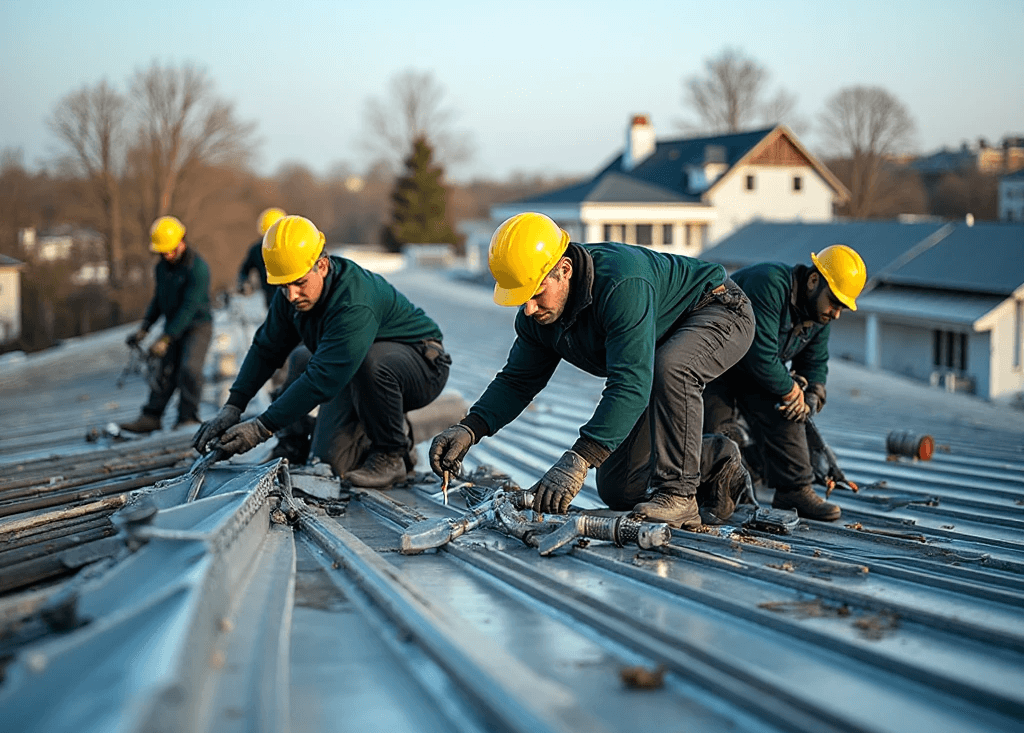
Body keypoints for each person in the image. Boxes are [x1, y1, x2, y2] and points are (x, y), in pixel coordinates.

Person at [429, 212, 756, 529]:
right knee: (619, 487)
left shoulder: (620, 283)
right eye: (521, 298)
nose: (529, 308)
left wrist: (579, 457)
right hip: (655, 345)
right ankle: (717, 460)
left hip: (717, 309)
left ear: (565, 269)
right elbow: (518, 381)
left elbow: (630, 384)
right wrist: (470, 428)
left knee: (671, 367)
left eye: (536, 294)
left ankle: (679, 493)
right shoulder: (537, 317)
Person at [193, 215, 451, 488]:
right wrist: (234, 406)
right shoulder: (291, 296)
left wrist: (261, 428)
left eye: (300, 283)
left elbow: (323, 379)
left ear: (323, 265)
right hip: (359, 369)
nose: (292, 295)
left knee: (370, 365)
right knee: (302, 362)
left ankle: (393, 453)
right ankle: (294, 443)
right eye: (283, 286)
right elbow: (266, 349)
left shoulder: (354, 300)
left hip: (420, 368)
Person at [702, 245, 867, 521]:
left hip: (751, 374)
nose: (837, 313)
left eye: (842, 306)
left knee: (790, 408)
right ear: (814, 280)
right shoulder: (768, 284)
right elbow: (759, 354)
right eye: (834, 301)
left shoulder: (818, 316)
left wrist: (813, 394)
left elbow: (814, 363)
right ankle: (714, 491)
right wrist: (791, 390)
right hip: (713, 367)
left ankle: (794, 489)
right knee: (718, 435)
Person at [120, 216, 213, 433]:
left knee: (189, 369)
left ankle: (187, 418)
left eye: (170, 250)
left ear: (182, 241)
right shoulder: (162, 268)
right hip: (173, 326)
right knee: (164, 370)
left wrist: (165, 338)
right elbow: (159, 300)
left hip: (197, 326)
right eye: (163, 252)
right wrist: (145, 327)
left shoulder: (198, 269)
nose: (167, 255)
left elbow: (189, 308)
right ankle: (151, 416)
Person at [237, 207, 286, 309]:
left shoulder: (292, 247)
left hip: (293, 302)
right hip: (272, 303)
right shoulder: (256, 250)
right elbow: (244, 270)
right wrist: (244, 283)